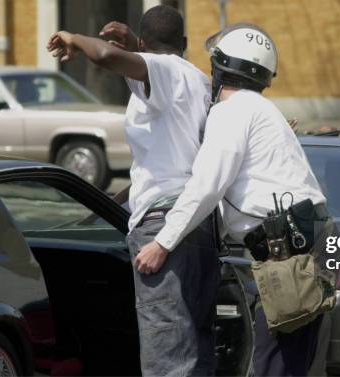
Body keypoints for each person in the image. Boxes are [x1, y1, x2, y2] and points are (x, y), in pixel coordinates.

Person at [136, 23, 329, 376]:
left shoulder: (232, 111)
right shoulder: (259, 110)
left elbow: (206, 186)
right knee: (291, 363)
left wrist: (161, 243)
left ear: (222, 68)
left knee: (273, 365)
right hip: (299, 242)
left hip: (282, 251)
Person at [47, 6, 220, 376]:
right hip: (197, 223)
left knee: (167, 351)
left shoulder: (165, 70)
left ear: (143, 46)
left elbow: (108, 56)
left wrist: (74, 38)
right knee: (195, 345)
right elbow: (169, 159)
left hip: (162, 227)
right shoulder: (197, 79)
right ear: (185, 43)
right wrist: (114, 200)